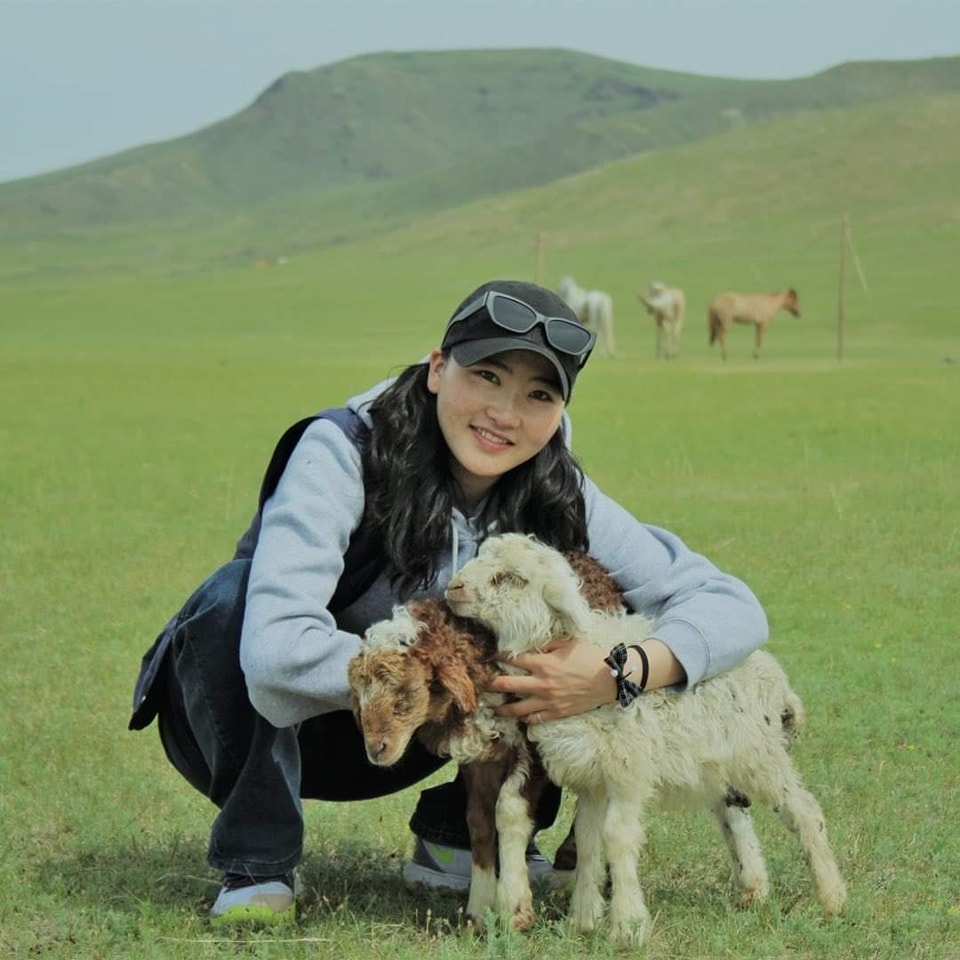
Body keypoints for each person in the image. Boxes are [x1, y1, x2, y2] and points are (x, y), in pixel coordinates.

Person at [129, 279, 768, 925]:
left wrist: (618, 672)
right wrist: (451, 677)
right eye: (487, 376)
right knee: (232, 598)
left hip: (431, 733)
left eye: (539, 395)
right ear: (438, 369)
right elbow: (272, 654)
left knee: (573, 612)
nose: (506, 414)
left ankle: (460, 838)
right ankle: (258, 863)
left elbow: (729, 604)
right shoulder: (341, 451)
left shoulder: (556, 486)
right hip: (271, 726)